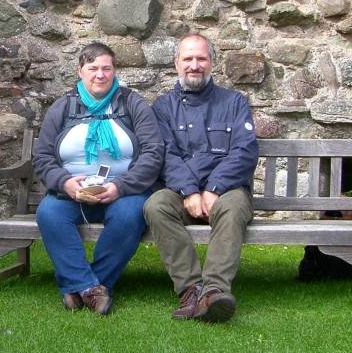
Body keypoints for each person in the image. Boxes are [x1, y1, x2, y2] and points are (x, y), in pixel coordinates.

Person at [33, 42, 163, 315]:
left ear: (115, 71)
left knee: (130, 215)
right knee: (49, 213)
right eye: (93, 68)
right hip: (73, 192)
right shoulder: (63, 108)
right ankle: (91, 289)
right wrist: (65, 183)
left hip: (124, 191)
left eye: (106, 68)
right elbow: (42, 157)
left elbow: (153, 153)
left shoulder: (133, 104)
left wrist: (119, 186)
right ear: (80, 71)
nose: (100, 75)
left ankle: (79, 287)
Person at [144, 34, 259, 323]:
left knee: (232, 210)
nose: (194, 65)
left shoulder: (234, 102)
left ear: (212, 63)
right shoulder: (162, 108)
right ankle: (191, 290)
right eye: (188, 59)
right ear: (176, 64)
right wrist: (189, 191)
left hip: (227, 192)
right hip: (182, 193)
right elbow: (164, 154)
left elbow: (244, 151)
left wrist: (214, 188)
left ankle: (214, 291)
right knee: (155, 205)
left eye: (201, 59)